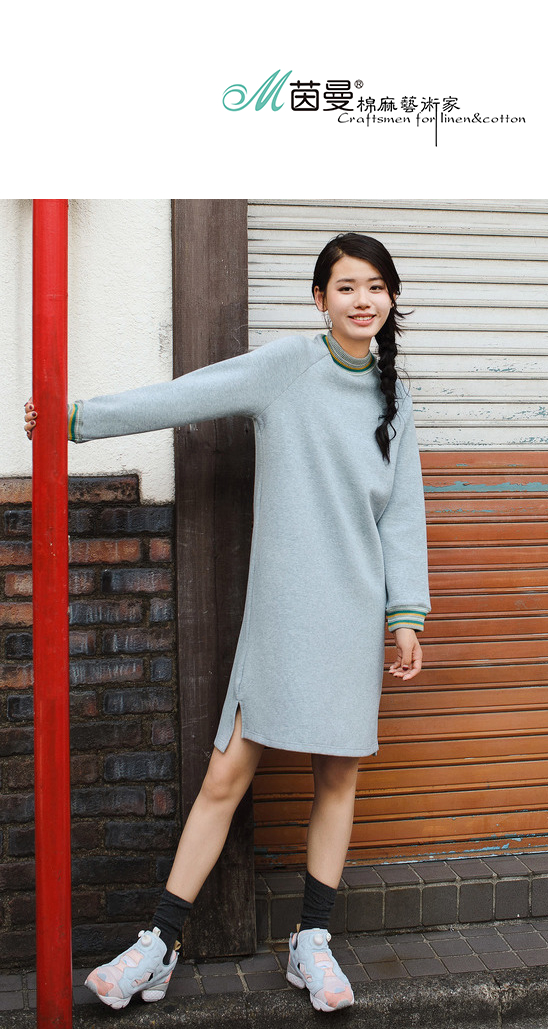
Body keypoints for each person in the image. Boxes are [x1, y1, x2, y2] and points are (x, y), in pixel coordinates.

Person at [24, 231, 430, 1014]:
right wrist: (76, 419)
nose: (363, 300)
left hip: (353, 614)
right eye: (347, 286)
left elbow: (401, 514)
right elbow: (191, 394)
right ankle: (159, 943)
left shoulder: (396, 400)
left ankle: (312, 940)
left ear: (390, 299)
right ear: (320, 298)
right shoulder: (288, 366)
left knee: (337, 776)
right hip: (282, 612)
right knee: (225, 775)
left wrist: (405, 614)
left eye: (376, 287)